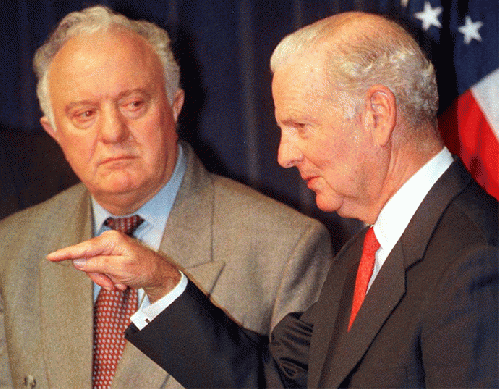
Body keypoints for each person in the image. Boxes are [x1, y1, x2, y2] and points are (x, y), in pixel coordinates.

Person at [47, 11, 498, 389]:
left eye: (301, 127)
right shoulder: (367, 251)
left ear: (377, 115)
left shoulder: (477, 262)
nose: (284, 155)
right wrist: (162, 282)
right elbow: (272, 380)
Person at [0, 6, 333, 389]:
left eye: (134, 104)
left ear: (174, 107)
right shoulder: (12, 249)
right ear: (53, 131)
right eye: (85, 113)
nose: (112, 132)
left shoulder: (285, 248)